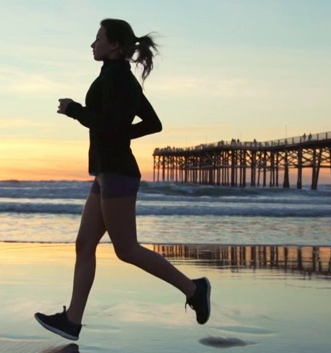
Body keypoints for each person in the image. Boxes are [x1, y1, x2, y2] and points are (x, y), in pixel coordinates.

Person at [34, 19, 211, 341]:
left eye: (98, 38)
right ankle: (72, 320)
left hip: (116, 172)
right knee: (84, 245)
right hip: (107, 171)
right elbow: (151, 123)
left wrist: (74, 110)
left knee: (126, 249)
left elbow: (110, 124)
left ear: (114, 45)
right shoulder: (119, 78)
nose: (92, 44)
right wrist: (119, 137)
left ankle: (194, 288)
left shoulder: (118, 79)